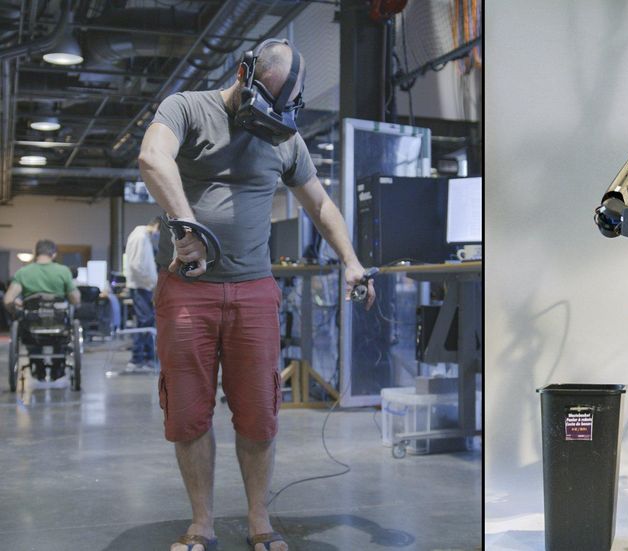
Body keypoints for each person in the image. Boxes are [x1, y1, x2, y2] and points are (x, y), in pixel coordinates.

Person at [138, 39, 375, 551]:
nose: (271, 117)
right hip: (188, 291)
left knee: (259, 412)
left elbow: (320, 204)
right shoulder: (187, 108)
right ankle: (202, 523)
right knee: (187, 412)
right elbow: (153, 157)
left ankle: (259, 521)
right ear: (244, 73)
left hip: (254, 292)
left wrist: (351, 261)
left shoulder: (285, 137)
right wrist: (188, 225)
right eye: (265, 100)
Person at [123, 217, 161, 371]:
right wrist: (152, 284)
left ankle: (147, 358)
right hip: (141, 286)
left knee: (146, 322)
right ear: (157, 226)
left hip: (144, 286)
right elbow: (137, 265)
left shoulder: (143, 236)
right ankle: (137, 359)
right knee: (145, 322)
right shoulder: (140, 237)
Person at [3, 239, 81, 313]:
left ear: (36, 253)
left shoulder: (22, 272)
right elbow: (75, 299)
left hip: (30, 321)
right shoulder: (64, 271)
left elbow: (8, 300)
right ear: (54, 254)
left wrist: (16, 311)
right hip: (58, 320)